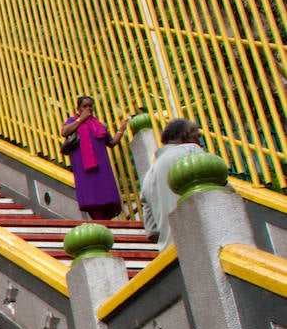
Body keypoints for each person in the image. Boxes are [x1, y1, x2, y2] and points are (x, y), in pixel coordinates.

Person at [139, 118, 206, 249]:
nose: (200, 144)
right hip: (201, 239)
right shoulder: (191, 151)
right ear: (187, 134)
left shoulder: (148, 177)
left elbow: (152, 233)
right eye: (198, 137)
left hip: (171, 253)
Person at [62, 95, 131, 220]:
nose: (88, 108)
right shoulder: (73, 120)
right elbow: (64, 132)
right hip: (84, 166)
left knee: (106, 193)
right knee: (91, 194)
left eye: (90, 105)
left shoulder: (98, 124)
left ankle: (105, 219)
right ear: (78, 108)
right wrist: (81, 120)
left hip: (101, 165)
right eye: (85, 106)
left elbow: (111, 143)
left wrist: (121, 129)